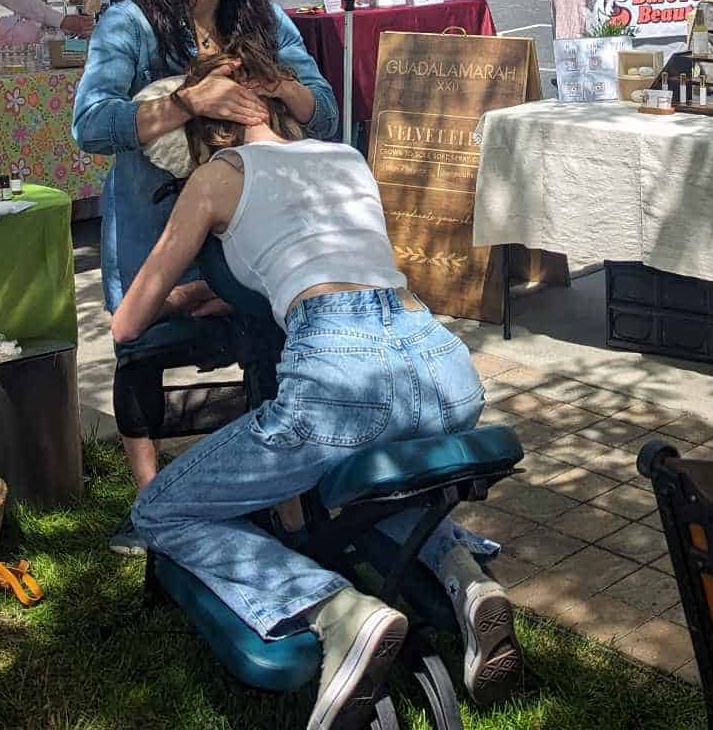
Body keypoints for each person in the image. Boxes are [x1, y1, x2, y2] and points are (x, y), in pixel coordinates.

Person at [112, 46, 523, 726]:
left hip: (341, 370)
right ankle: (466, 581)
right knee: (372, 483)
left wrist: (184, 297)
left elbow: (129, 320)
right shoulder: (345, 157)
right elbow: (324, 258)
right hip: (441, 365)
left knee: (162, 512)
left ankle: (336, 611)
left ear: (211, 123)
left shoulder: (218, 174)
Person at [71, 0, 338, 545]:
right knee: (141, 355)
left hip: (253, 240)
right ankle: (152, 503)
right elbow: (91, 125)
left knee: (272, 353)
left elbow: (326, 112)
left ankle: (281, 497)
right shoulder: (128, 24)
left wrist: (274, 82)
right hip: (155, 236)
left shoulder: (262, 17)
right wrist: (189, 101)